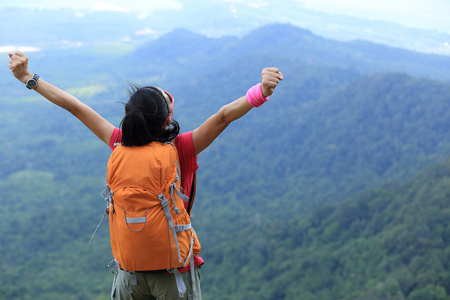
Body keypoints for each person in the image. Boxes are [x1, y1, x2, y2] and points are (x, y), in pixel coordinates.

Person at [8, 51, 283, 300]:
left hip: (129, 274)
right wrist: (261, 91)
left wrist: (27, 77)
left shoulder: (118, 141)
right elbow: (223, 116)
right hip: (173, 274)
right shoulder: (182, 148)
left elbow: (74, 106)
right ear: (167, 119)